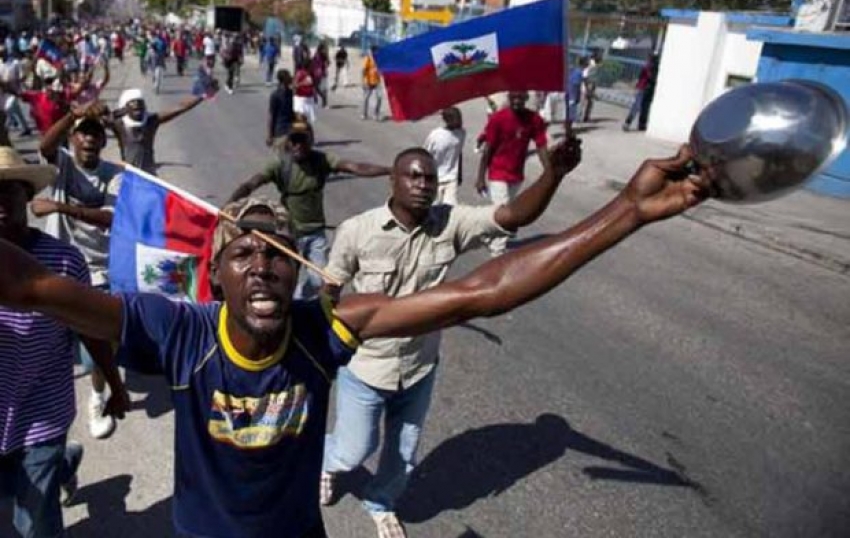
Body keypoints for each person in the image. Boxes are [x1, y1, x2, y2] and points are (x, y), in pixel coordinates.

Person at [0, 143, 712, 538]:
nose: (262, 263)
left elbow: (481, 292)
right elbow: (31, 287)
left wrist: (626, 212)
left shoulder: (325, 330)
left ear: (299, 270)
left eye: (277, 250)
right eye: (242, 252)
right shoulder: (177, 331)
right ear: (213, 275)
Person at [320, 137, 581, 536]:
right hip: (367, 366)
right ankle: (327, 463)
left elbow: (513, 216)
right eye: (413, 176)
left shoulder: (450, 223)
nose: (423, 184)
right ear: (393, 180)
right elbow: (330, 291)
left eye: (430, 177)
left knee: (403, 454)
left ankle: (381, 502)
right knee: (353, 449)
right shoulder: (357, 231)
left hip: (420, 366)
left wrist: (553, 175)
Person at [0, 145, 129, 537]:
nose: (0, 200)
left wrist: (116, 386)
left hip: (42, 411)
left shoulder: (63, 262)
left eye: (9, 189)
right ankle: (67, 462)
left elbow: (90, 330)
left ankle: (55, 460)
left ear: (28, 195)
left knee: (32, 526)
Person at [33, 101, 128, 440]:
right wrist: (73, 114)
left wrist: (60, 206)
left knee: (93, 357)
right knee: (40, 347)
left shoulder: (114, 175)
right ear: (72, 139)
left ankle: (98, 395)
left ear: (102, 143)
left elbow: (111, 218)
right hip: (56, 271)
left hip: (99, 273)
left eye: (95, 134)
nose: (88, 139)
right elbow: (44, 145)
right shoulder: (61, 166)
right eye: (82, 133)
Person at [228, 121, 391, 300]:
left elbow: (356, 168)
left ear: (311, 141)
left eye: (302, 141)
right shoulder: (280, 165)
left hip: (316, 233)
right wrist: (230, 204)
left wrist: (391, 170)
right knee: (285, 278)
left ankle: (301, 304)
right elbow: (252, 183)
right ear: (288, 142)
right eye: (294, 141)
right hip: (290, 233)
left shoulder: (321, 160)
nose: (297, 146)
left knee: (318, 280)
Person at [475, 91, 549, 256]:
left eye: (520, 98)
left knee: (507, 209)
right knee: (504, 211)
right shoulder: (498, 118)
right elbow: (489, 149)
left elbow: (541, 145)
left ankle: (489, 233)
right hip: (497, 172)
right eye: (513, 98)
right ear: (508, 98)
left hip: (516, 174)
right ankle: (497, 253)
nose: (516, 101)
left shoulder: (534, 120)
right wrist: (480, 177)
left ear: (526, 99)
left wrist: (548, 170)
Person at [108, 88, 207, 174]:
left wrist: (202, 96)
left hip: (149, 175)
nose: (137, 106)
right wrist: (114, 114)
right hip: (128, 174)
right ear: (125, 109)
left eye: (139, 104)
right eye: (132, 105)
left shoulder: (151, 121)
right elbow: (98, 118)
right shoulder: (119, 125)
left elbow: (180, 108)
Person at [423, 107, 466, 205]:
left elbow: (459, 152)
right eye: (457, 119)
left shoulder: (461, 133)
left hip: (451, 178)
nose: (460, 122)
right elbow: (425, 155)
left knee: (450, 207)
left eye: (460, 118)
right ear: (447, 120)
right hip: (435, 178)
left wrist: (459, 173)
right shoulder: (435, 135)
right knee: (433, 206)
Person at [623, 55, 658, 132]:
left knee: (645, 108)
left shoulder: (654, 68)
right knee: (637, 106)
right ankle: (627, 123)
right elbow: (650, 77)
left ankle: (642, 125)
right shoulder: (647, 67)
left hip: (649, 90)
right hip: (643, 89)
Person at [267, 69, 295, 148]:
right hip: (281, 129)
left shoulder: (291, 93)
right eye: (288, 77)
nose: (291, 79)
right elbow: (271, 115)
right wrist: (270, 135)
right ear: (283, 81)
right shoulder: (275, 95)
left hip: (292, 128)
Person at [293, 60, 317, 125]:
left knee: (308, 119)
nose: (313, 66)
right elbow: (295, 85)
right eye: (312, 65)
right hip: (300, 98)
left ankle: (306, 131)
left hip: (309, 98)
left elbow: (313, 85)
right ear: (308, 65)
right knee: (300, 117)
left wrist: (315, 96)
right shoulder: (300, 73)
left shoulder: (312, 73)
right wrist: (303, 83)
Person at [362, 45, 382, 121]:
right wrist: (363, 81)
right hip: (369, 81)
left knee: (379, 97)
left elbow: (381, 70)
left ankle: (375, 114)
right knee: (366, 98)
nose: (377, 53)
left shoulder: (379, 59)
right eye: (376, 51)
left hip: (377, 82)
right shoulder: (368, 59)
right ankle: (364, 114)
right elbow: (363, 70)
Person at [312, 43, 330, 108]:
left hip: (323, 74)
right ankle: (318, 100)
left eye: (326, 49)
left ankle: (324, 103)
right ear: (321, 49)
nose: (325, 50)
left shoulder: (324, 55)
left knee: (323, 89)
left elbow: (328, 64)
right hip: (317, 74)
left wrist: (327, 61)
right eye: (324, 49)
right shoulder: (317, 55)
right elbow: (314, 64)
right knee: (315, 88)